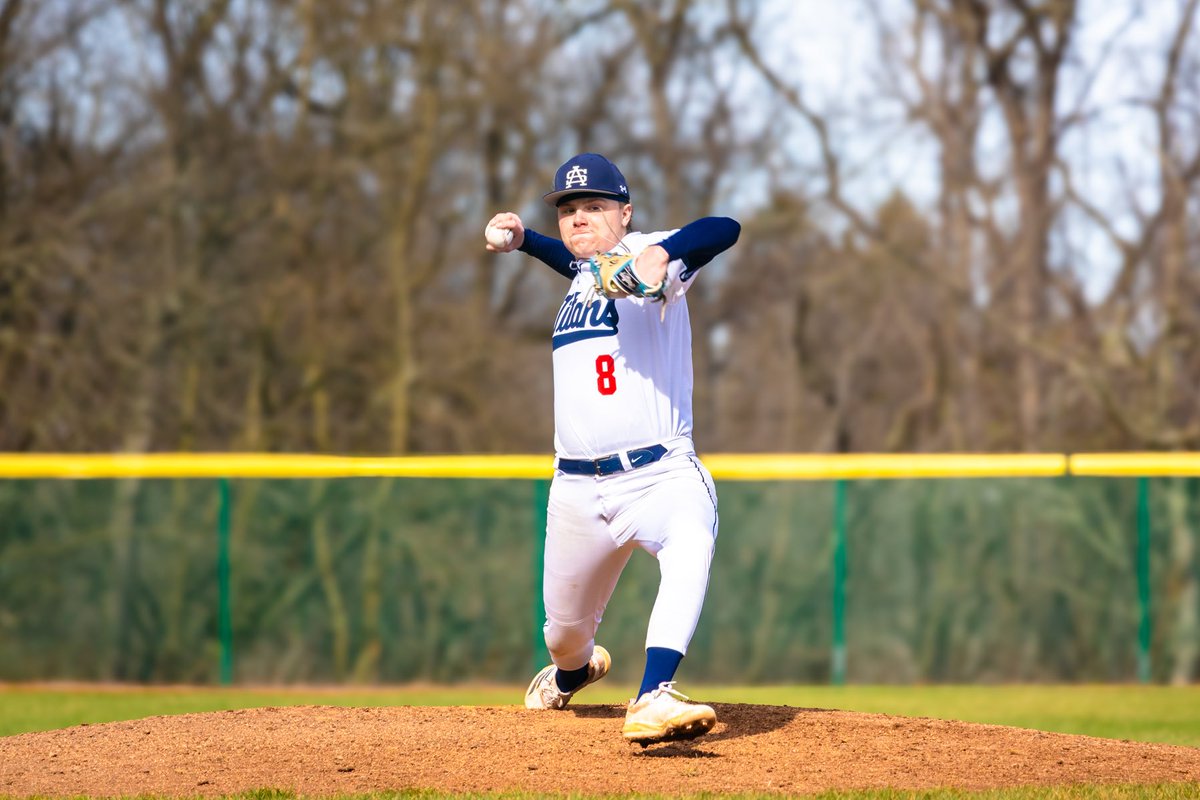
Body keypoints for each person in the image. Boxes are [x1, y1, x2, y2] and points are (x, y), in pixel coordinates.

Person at [484, 152, 740, 745]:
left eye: (594, 206)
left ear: (625, 214)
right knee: (562, 636)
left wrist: (661, 253)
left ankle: (654, 695)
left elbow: (724, 228)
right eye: (569, 209)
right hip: (576, 488)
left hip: (659, 473)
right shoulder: (583, 274)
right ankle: (576, 670)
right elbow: (574, 262)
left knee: (691, 538)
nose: (578, 217)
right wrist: (526, 240)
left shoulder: (653, 256)